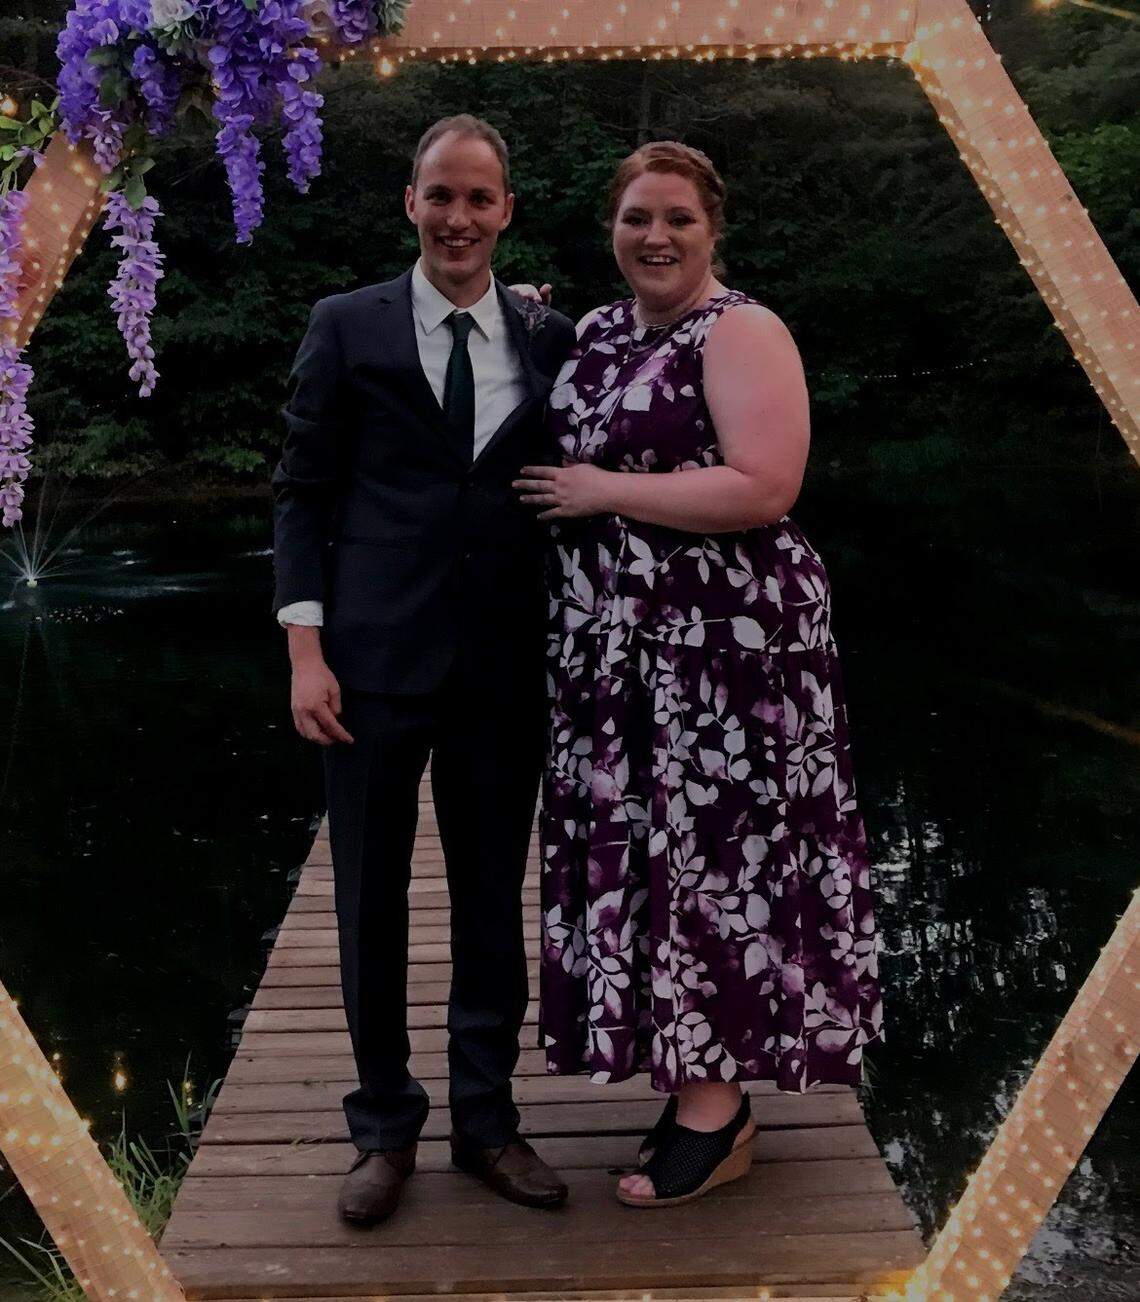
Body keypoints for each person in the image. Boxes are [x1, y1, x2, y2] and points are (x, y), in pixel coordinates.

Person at [514, 142, 884, 1208]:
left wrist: (600, 492)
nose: (656, 237)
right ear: (611, 229)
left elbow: (766, 486)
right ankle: (691, 1077)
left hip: (728, 655)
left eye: (677, 217)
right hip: (620, 651)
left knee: (718, 859)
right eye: (637, 218)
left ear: (712, 227)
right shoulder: (591, 331)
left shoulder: (745, 330)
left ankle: (716, 1118)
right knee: (655, 857)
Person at [272, 115, 577, 1226]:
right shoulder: (345, 326)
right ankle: (384, 1128)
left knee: (493, 901)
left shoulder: (548, 340)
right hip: (370, 663)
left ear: (507, 213)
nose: (458, 218)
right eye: (440, 196)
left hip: (503, 664)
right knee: (369, 900)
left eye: (479, 200)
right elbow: (302, 492)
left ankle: (487, 1124)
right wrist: (306, 650)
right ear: (411, 203)